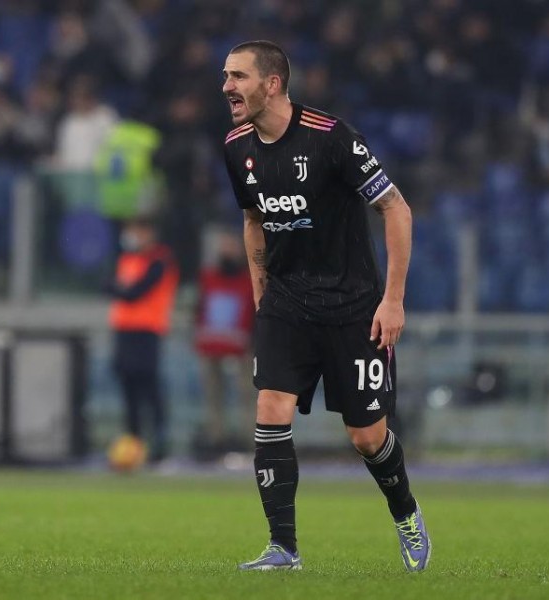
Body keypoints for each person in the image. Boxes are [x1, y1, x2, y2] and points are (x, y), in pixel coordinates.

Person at [222, 40, 430, 572]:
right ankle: (283, 548)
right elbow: (252, 221)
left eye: (239, 77)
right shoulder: (237, 146)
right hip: (287, 304)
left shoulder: (331, 137)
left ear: (272, 83)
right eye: (226, 76)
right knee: (270, 410)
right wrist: (260, 295)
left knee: (366, 436)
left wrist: (394, 300)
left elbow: (396, 208)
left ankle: (405, 512)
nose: (227, 87)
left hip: (354, 307)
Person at [108, 216, 179, 463]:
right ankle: (134, 441)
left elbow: (133, 292)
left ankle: (159, 442)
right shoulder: (127, 259)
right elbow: (112, 287)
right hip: (124, 331)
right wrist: (120, 290)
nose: (134, 236)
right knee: (128, 387)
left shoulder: (160, 260)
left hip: (148, 331)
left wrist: (120, 290)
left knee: (149, 386)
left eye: (138, 231)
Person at [193, 229, 256, 456]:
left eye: (231, 246)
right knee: (213, 398)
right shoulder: (208, 276)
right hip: (211, 346)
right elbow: (199, 308)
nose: (226, 251)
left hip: (242, 347)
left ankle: (251, 442)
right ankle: (216, 441)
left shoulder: (249, 278)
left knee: (247, 396)